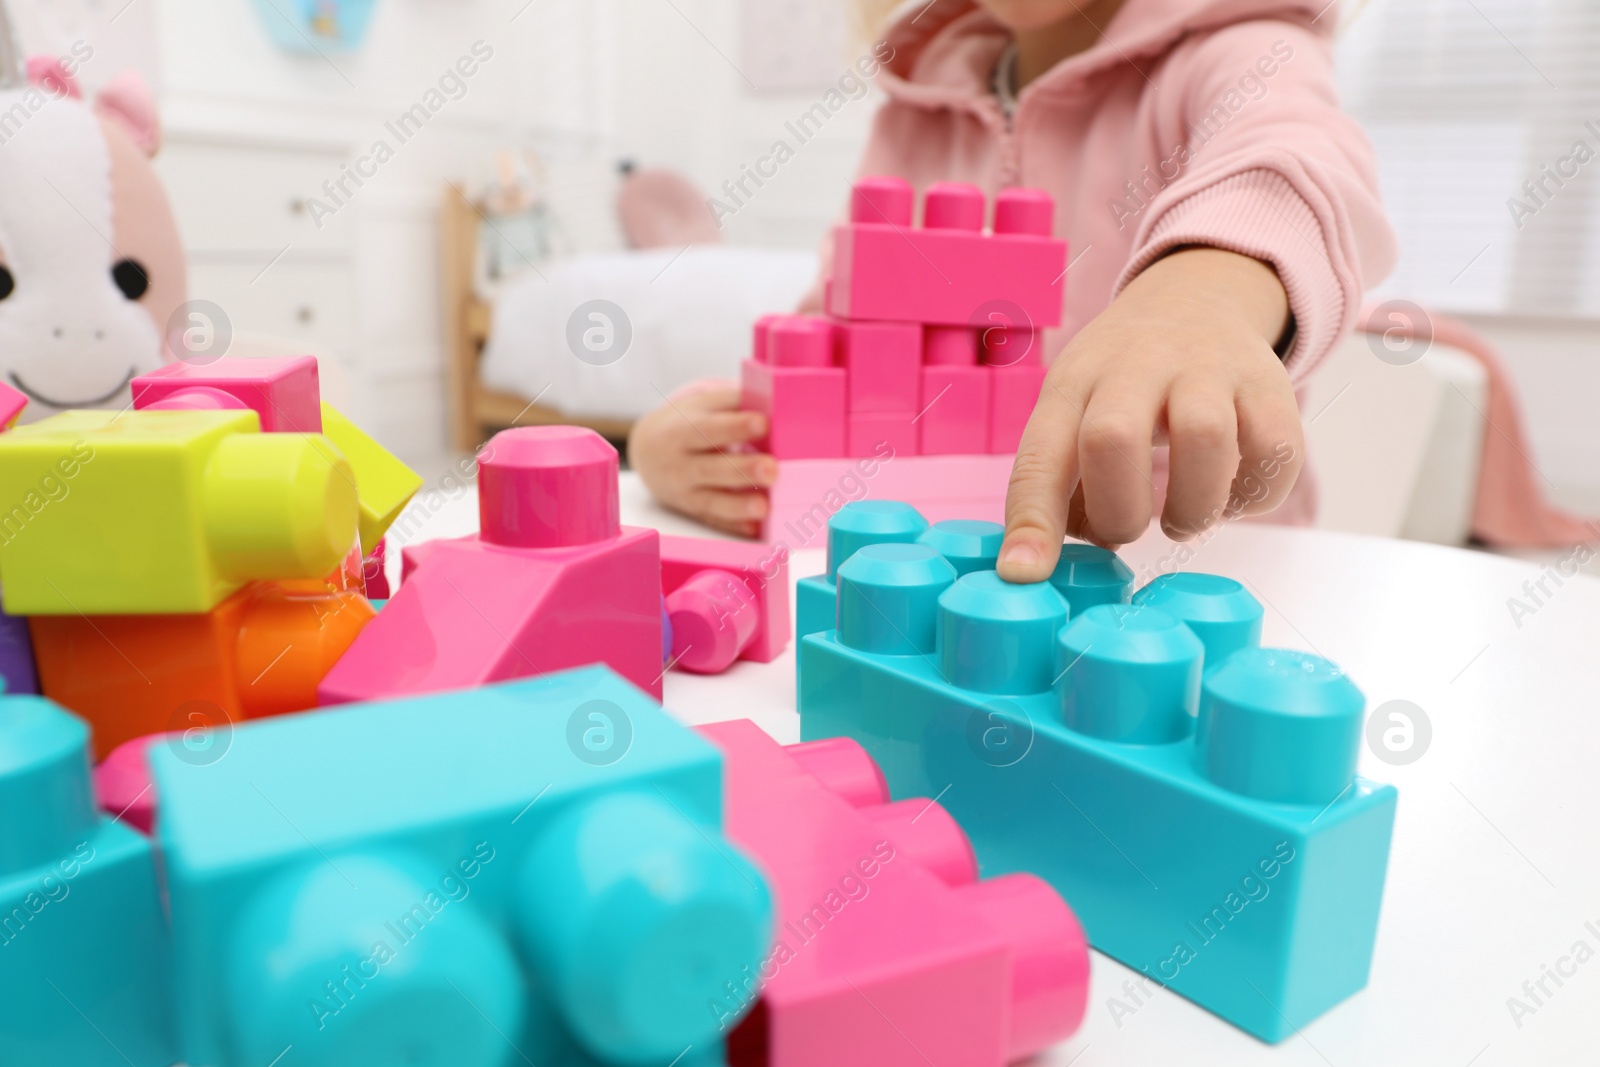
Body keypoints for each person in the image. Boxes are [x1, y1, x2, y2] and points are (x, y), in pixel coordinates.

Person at [628, 0, 1395, 580]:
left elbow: (1299, 161)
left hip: (1194, 567)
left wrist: (1207, 289)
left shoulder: (1242, 50)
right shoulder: (914, 113)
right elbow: (838, 345)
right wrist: (710, 440)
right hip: (950, 568)